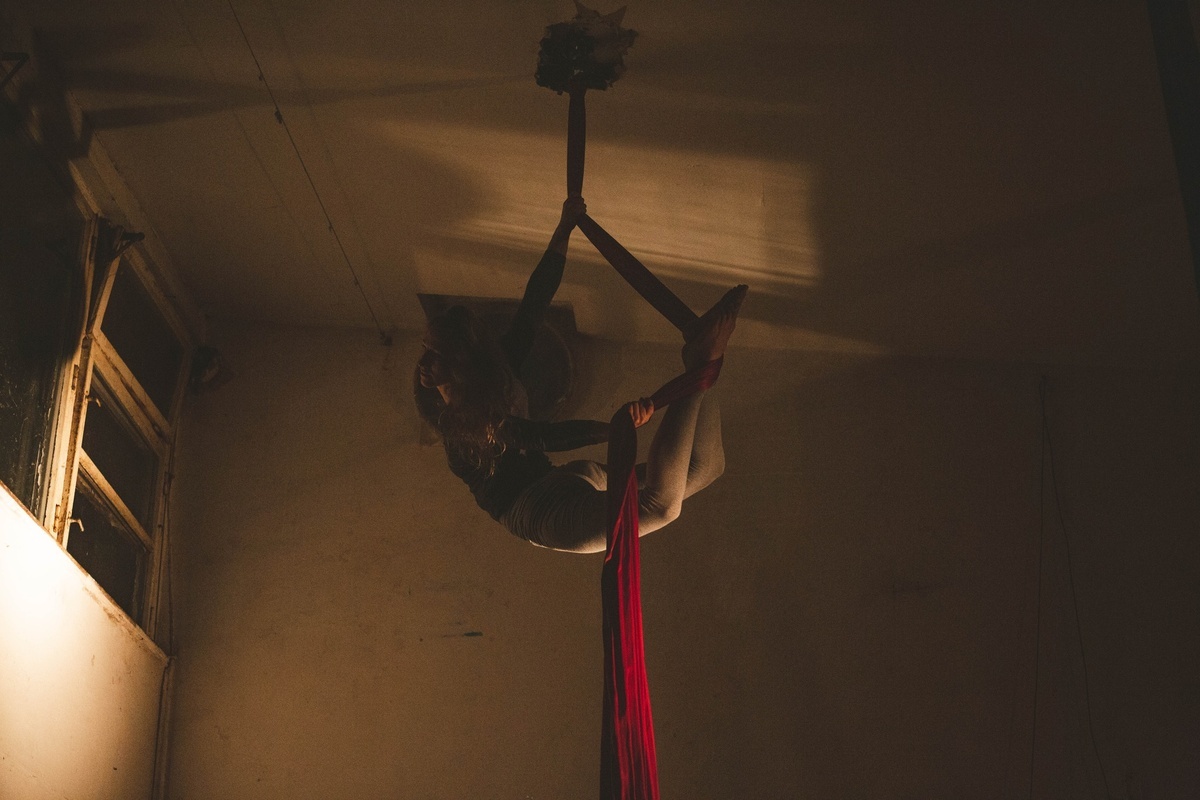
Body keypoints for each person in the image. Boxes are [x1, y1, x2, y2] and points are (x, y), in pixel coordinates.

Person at [414, 196, 746, 553]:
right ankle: (702, 365)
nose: (424, 362)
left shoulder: (498, 369)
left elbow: (535, 303)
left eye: (436, 353)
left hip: (541, 511)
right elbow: (533, 436)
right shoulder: (457, 425)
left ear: (462, 361)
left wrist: (563, 231)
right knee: (706, 468)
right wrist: (610, 431)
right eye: (426, 350)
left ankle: (700, 363)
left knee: (661, 506)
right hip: (565, 487)